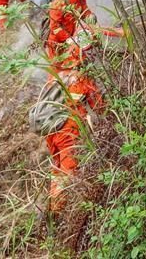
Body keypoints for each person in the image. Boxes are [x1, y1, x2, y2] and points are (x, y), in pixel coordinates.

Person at [44, 63, 104, 213]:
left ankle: (52, 210)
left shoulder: (54, 75)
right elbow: (99, 106)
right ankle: (57, 213)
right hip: (68, 133)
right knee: (68, 172)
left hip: (53, 132)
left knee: (59, 170)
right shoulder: (80, 77)